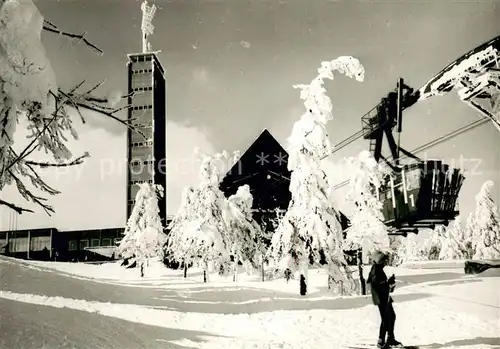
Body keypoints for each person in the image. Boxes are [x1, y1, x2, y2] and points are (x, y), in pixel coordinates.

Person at [367, 250, 402, 348]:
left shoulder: (379, 269)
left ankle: (390, 338)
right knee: (386, 319)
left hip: (385, 297)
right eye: (383, 260)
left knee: (391, 316)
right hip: (381, 299)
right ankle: (381, 341)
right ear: (379, 261)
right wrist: (388, 283)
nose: (385, 262)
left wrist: (389, 283)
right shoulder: (375, 270)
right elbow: (377, 286)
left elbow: (383, 284)